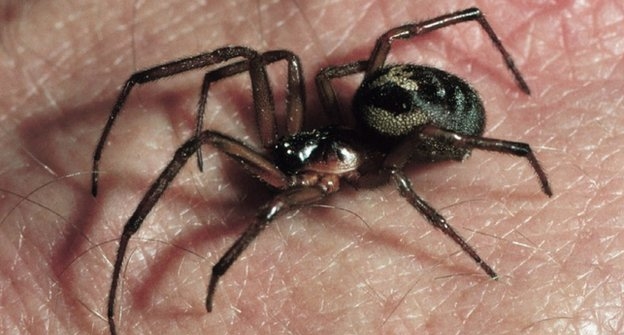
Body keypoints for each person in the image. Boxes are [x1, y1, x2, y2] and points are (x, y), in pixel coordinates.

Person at [1, 0, 620, 333]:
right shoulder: (304, 127)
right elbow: (250, 64)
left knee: (282, 192)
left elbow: (367, 175)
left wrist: (220, 264)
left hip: (422, 125)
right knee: (257, 60)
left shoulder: (371, 160)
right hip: (386, 111)